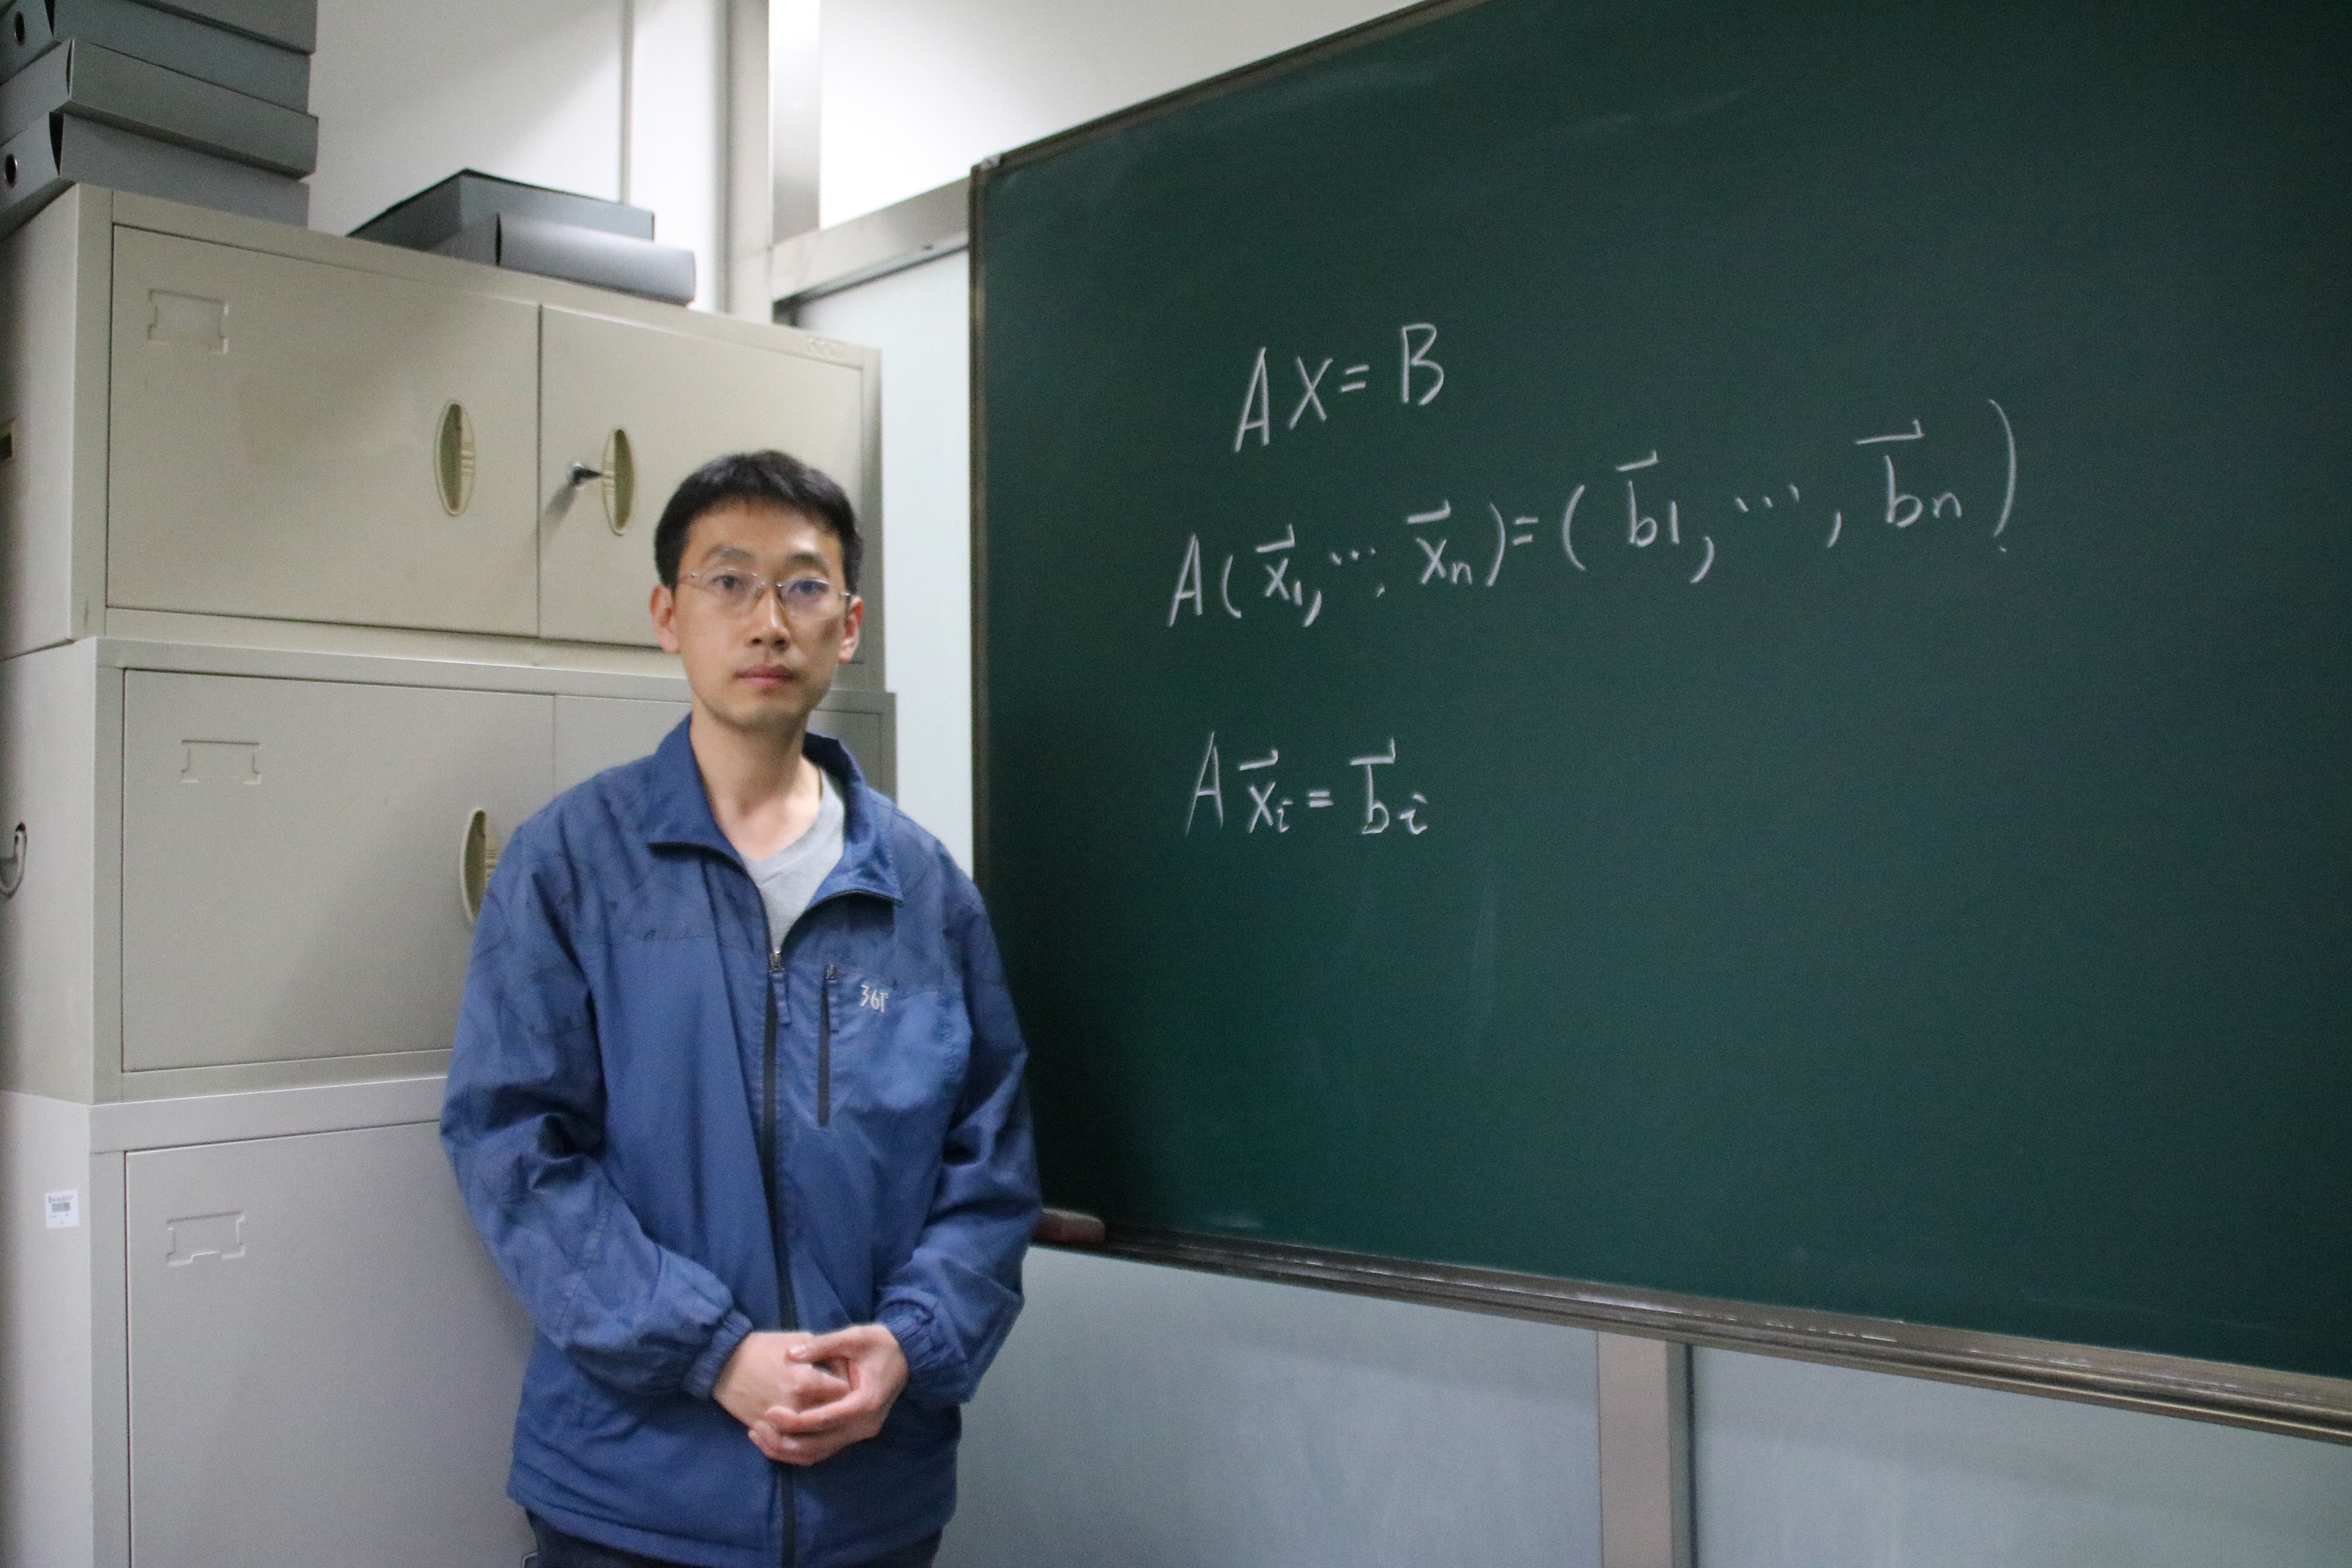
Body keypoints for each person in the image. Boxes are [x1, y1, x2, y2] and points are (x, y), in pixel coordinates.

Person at [442, 449, 1040, 1568]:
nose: (768, 621)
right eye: (728, 582)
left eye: (803, 586)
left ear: (847, 625)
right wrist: (712, 1352)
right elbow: (512, 1145)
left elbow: (989, 1170)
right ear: (668, 616)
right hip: (630, 1492)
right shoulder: (572, 863)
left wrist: (907, 1348)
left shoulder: (924, 890)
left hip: (872, 1493)